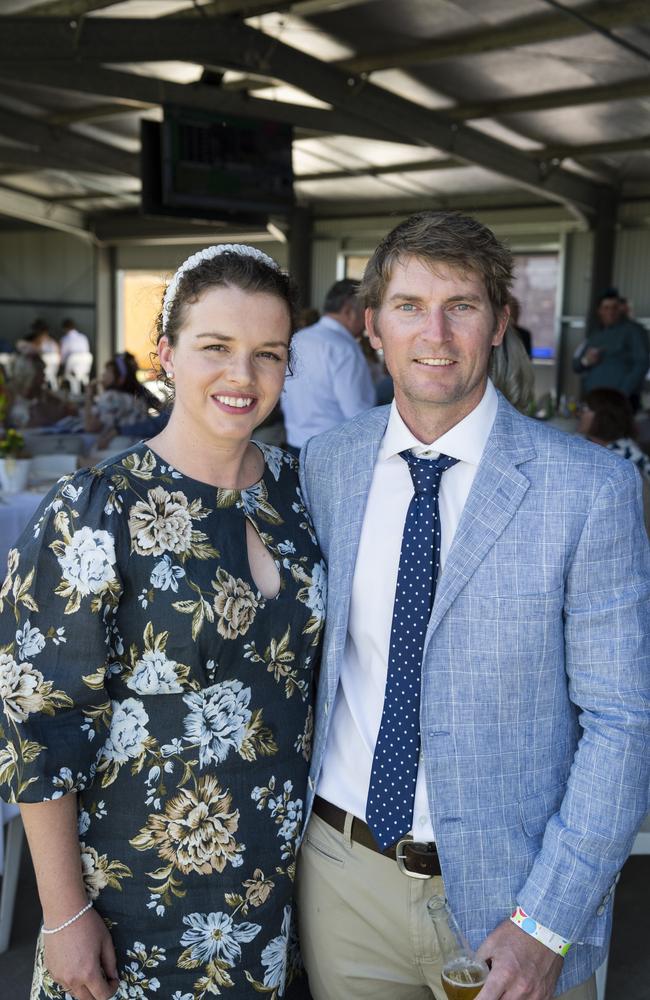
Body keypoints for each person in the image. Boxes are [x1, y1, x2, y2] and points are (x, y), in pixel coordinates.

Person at [295, 211, 650, 1000]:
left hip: (516, 895)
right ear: (372, 326)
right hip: (343, 879)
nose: (436, 332)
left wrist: (546, 923)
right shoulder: (327, 466)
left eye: (462, 305)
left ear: (498, 324)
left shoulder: (589, 489)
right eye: (410, 306)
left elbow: (624, 722)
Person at [0, 244, 325, 999]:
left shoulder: (303, 491)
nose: (242, 377)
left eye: (268, 354)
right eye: (216, 347)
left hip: (279, 888)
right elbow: (36, 723)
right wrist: (62, 912)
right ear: (166, 354)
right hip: (132, 899)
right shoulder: (93, 511)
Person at [281, 278, 376, 450]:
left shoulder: (297, 339)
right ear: (349, 311)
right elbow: (358, 414)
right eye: (365, 313)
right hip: (332, 449)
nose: (366, 323)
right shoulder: (344, 348)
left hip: (294, 445)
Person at [577, 387, 650, 533]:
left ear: (603, 416)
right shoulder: (595, 447)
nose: (579, 414)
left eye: (585, 408)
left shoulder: (623, 458)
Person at [572, 288, 649, 409]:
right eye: (606, 308)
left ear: (621, 309)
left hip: (620, 402)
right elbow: (576, 364)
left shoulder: (634, 331)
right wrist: (586, 361)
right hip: (594, 400)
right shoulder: (594, 335)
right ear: (599, 311)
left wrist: (621, 394)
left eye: (615, 307)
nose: (610, 312)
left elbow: (642, 364)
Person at [82, 351, 153, 433]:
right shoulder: (137, 399)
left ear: (120, 379)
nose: (103, 375)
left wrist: (88, 396)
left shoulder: (110, 397)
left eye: (107, 371)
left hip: (114, 444)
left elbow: (90, 427)